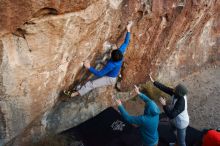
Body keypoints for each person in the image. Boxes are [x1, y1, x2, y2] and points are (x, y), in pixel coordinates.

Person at [65, 21, 133, 98]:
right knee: (91, 79)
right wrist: (128, 29)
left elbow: (100, 74)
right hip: (111, 72)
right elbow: (126, 43)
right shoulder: (120, 53)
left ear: (112, 56)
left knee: (92, 84)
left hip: (110, 78)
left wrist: (89, 67)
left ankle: (74, 94)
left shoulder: (111, 65)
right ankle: (79, 88)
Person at [149, 75, 189, 146]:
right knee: (174, 131)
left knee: (182, 142)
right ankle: (176, 143)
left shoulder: (181, 103)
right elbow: (166, 89)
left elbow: (171, 115)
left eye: (175, 89)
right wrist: (154, 82)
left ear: (178, 93)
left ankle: (178, 143)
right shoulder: (177, 93)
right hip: (176, 119)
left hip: (182, 123)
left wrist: (164, 105)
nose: (173, 89)